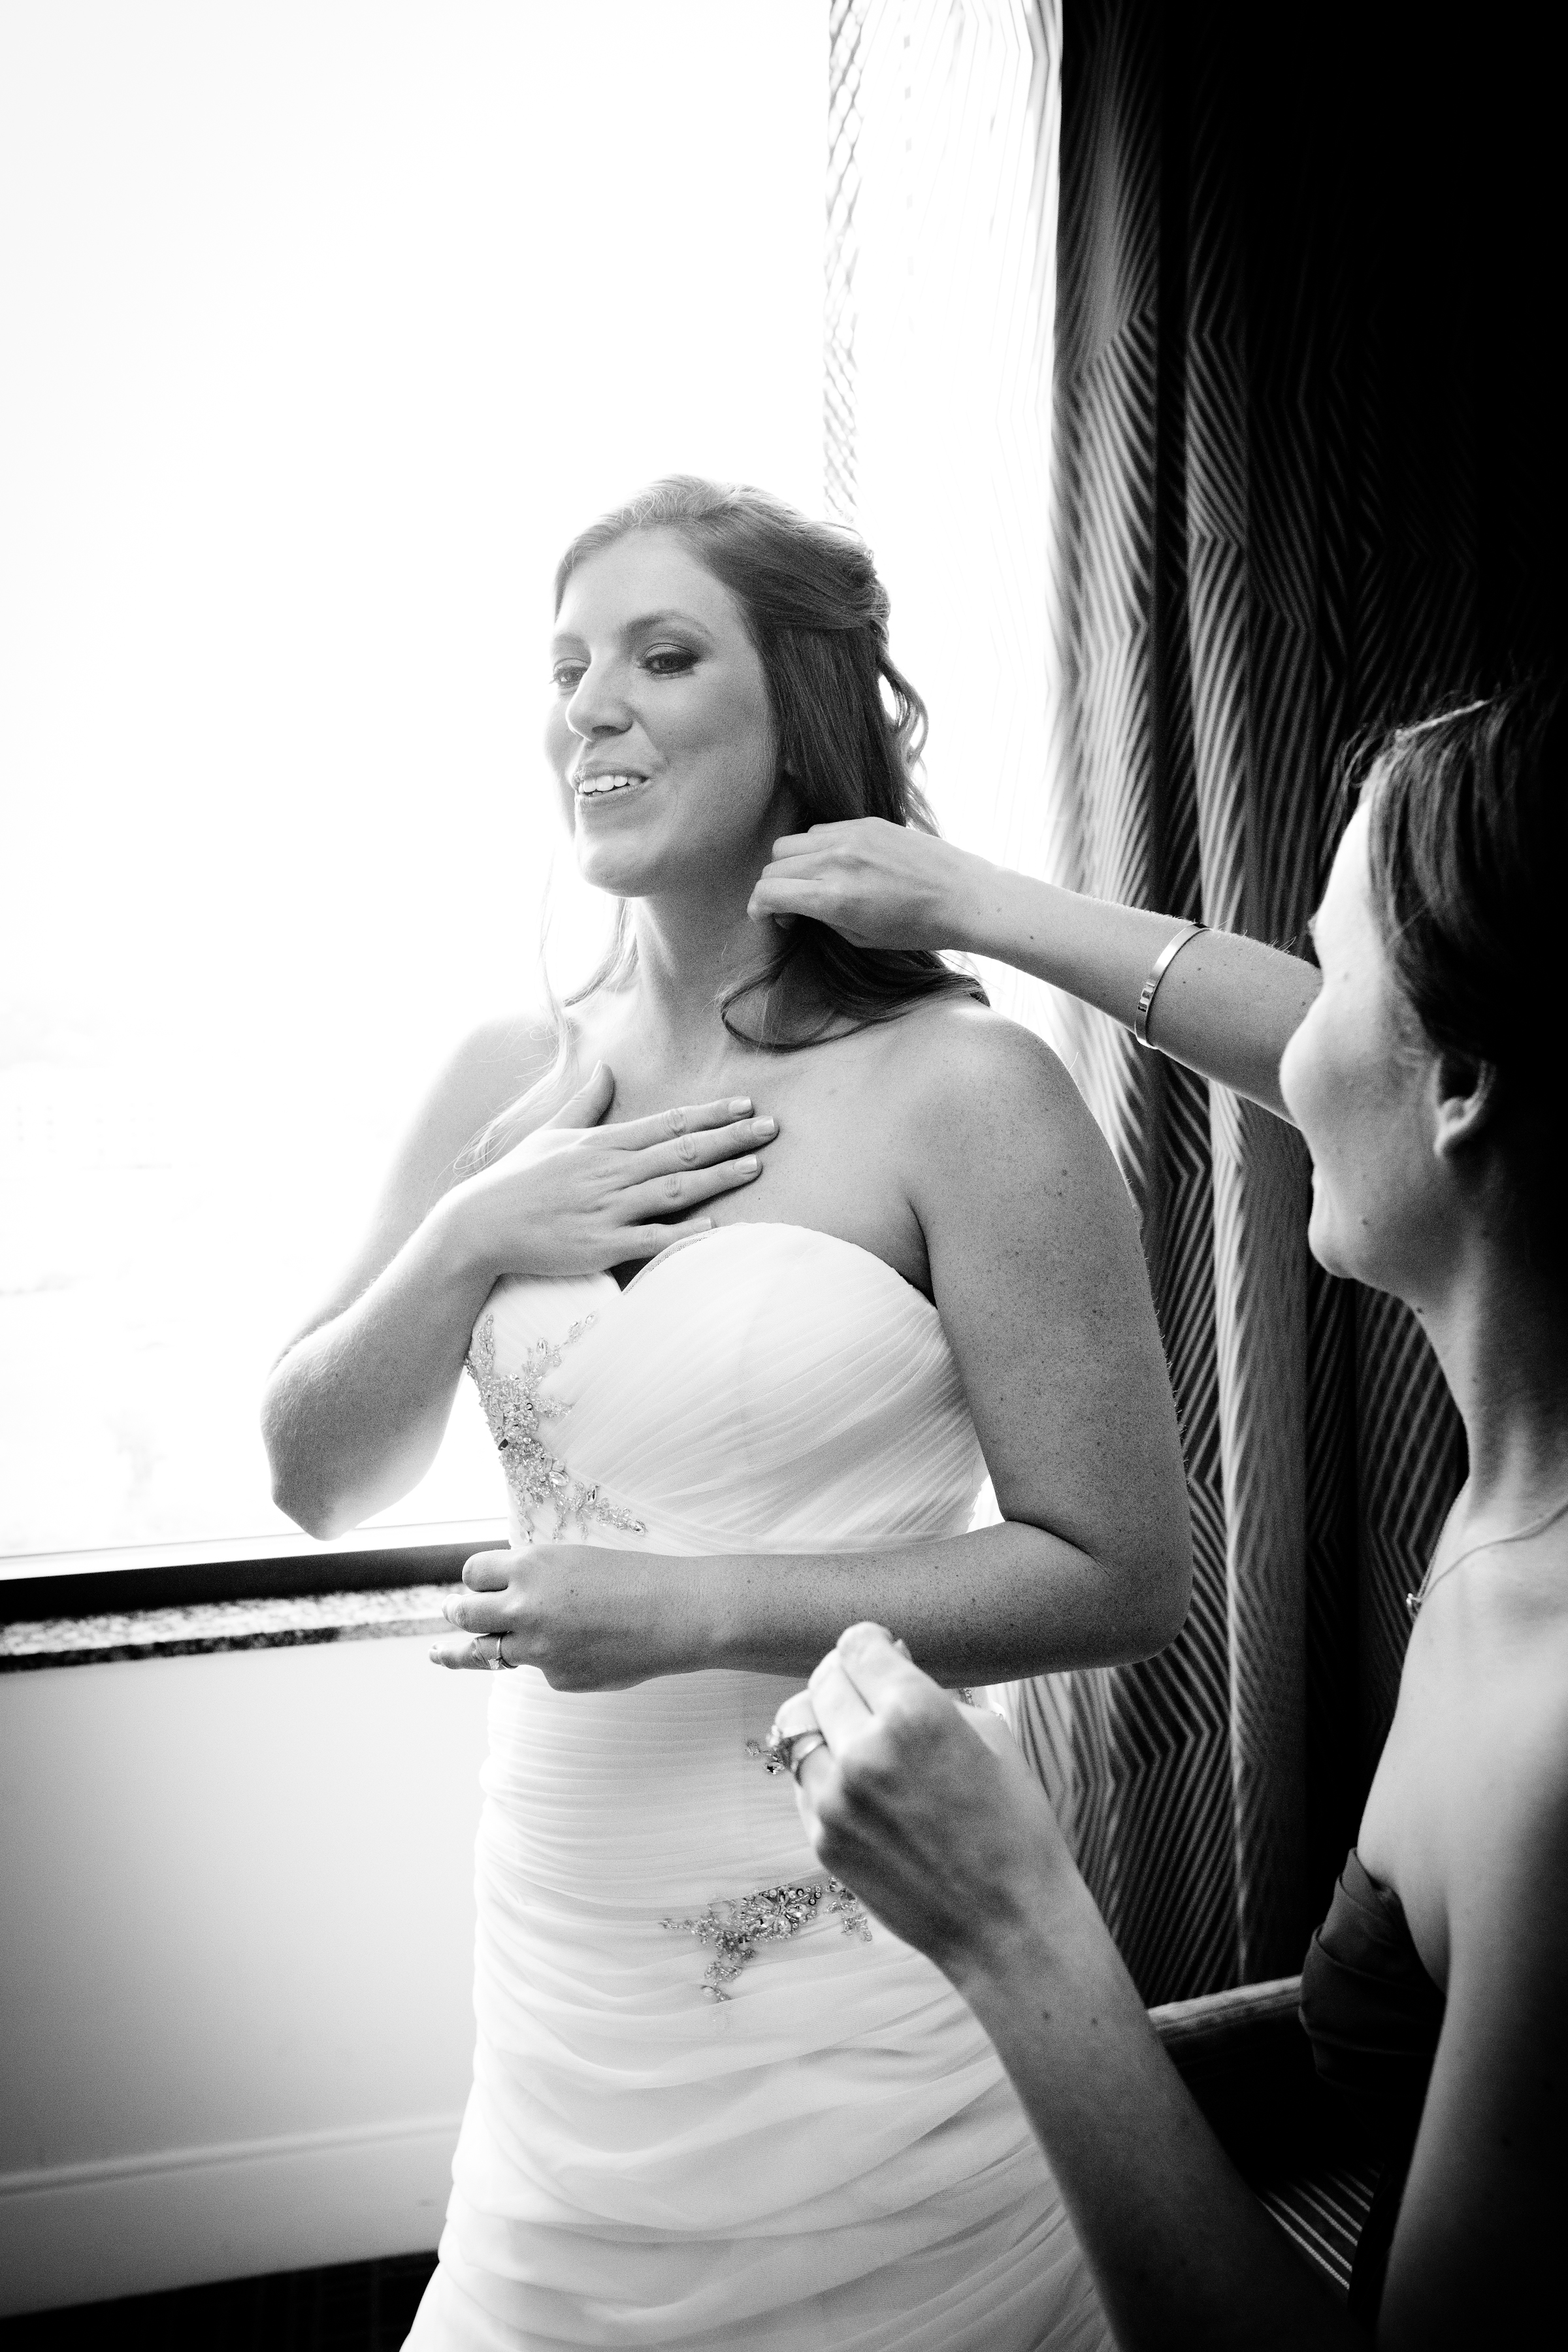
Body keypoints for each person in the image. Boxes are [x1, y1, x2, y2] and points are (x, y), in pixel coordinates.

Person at [261, 478, 1193, 2352]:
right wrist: (469, 1237)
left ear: (800, 719)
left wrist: (690, 1610)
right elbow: (313, 1474)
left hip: (860, 1947)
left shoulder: (967, 1090)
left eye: (662, 655)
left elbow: (1120, 1575)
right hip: (562, 1961)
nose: (589, 709)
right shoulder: (503, 1082)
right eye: (565, 669)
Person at [764, 684, 1568, 2347]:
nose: (1292, 1040)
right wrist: (973, 899)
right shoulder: (1524, 1499)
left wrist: (1015, 1925)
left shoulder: (1558, 1743)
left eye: (1328, 971)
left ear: (1466, 1081)